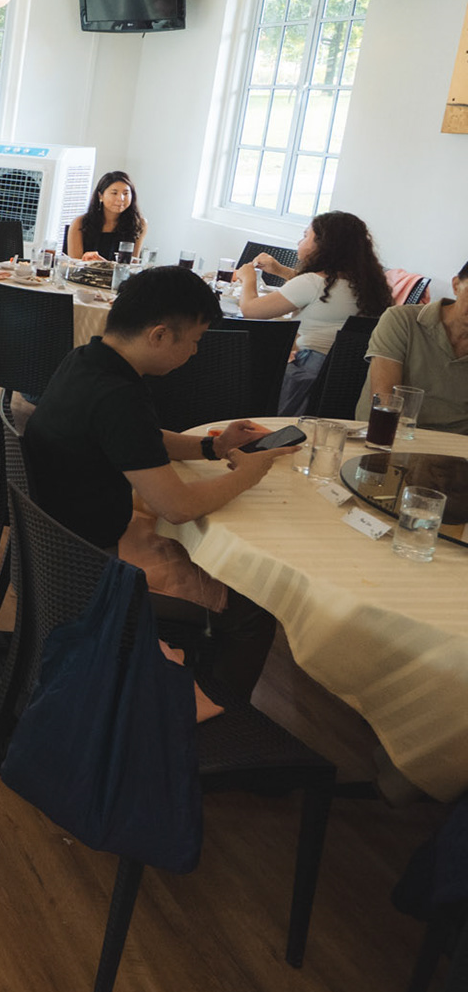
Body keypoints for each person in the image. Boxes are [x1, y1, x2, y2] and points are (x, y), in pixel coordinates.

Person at [24, 265, 291, 706]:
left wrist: (213, 446)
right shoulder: (119, 396)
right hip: (92, 571)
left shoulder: (87, 360)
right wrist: (248, 474)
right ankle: (209, 718)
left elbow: (139, 439)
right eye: (195, 340)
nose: (196, 352)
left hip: (58, 547)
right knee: (253, 609)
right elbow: (178, 507)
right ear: (160, 335)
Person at [233, 210, 394, 414]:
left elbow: (250, 311)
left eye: (305, 236)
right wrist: (281, 271)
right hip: (345, 380)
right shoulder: (370, 287)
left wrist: (248, 278)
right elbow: (318, 293)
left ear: (322, 245)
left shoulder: (312, 283)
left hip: (305, 375)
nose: (299, 242)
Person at [357, 259, 468, 433]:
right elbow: (385, 401)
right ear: (456, 286)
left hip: (458, 444)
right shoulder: (403, 321)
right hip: (391, 435)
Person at [68, 170, 147, 261]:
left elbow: (133, 264)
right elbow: (75, 264)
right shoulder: (80, 223)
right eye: (114, 193)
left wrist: (104, 264)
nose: (121, 198)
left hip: (120, 271)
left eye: (126, 193)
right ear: (100, 196)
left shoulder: (139, 223)